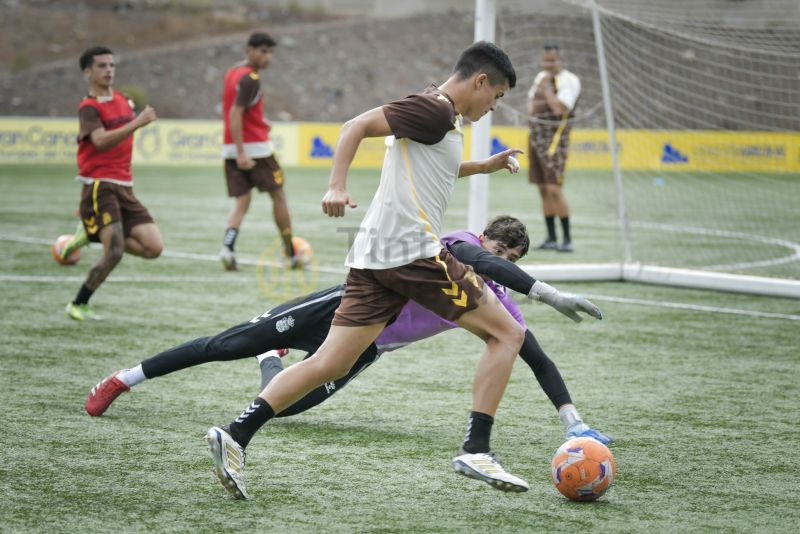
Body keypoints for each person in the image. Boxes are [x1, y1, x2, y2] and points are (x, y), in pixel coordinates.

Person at [202, 42, 601, 499]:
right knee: (507, 333)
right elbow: (356, 126)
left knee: (332, 361)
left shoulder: (437, 113)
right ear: (480, 81)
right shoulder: (433, 109)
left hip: (375, 256)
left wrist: (483, 166)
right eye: (498, 96)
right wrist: (336, 185)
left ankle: (236, 433)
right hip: (412, 254)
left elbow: (432, 167)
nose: (494, 106)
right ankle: (477, 447)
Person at [84, 217, 609, 495]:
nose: (500, 266)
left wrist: (575, 423)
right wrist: (545, 289)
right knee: (225, 345)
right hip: (342, 307)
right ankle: (123, 379)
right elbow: (471, 256)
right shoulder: (456, 245)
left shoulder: (495, 306)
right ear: (486, 240)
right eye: (501, 255)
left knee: (288, 408)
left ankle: (273, 358)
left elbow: (535, 358)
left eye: (512, 263)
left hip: (365, 348)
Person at [60, 46, 163, 321]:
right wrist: (138, 123)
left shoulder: (123, 100)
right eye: (102, 66)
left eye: (111, 65)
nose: (108, 70)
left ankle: (90, 232)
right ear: (87, 71)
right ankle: (78, 303)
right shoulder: (89, 108)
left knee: (153, 248)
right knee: (115, 251)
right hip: (99, 185)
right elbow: (101, 141)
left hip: (124, 185)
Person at [218, 32, 297, 271]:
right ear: (250, 50)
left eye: (270, 52)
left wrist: (260, 122)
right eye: (263, 51)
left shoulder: (233, 72)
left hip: (230, 147)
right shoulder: (251, 79)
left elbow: (240, 111)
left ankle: (227, 248)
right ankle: (291, 254)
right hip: (254, 150)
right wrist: (243, 152)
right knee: (279, 196)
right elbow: (235, 113)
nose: (267, 57)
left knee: (243, 201)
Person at [527, 44, 581, 253]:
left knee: (554, 188)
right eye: (546, 60)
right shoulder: (540, 77)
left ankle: (567, 239)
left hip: (555, 140)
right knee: (542, 187)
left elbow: (560, 109)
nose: (549, 64)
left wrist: (547, 89)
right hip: (536, 137)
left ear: (561, 61)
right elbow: (531, 104)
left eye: (553, 60)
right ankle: (551, 237)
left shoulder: (569, 80)